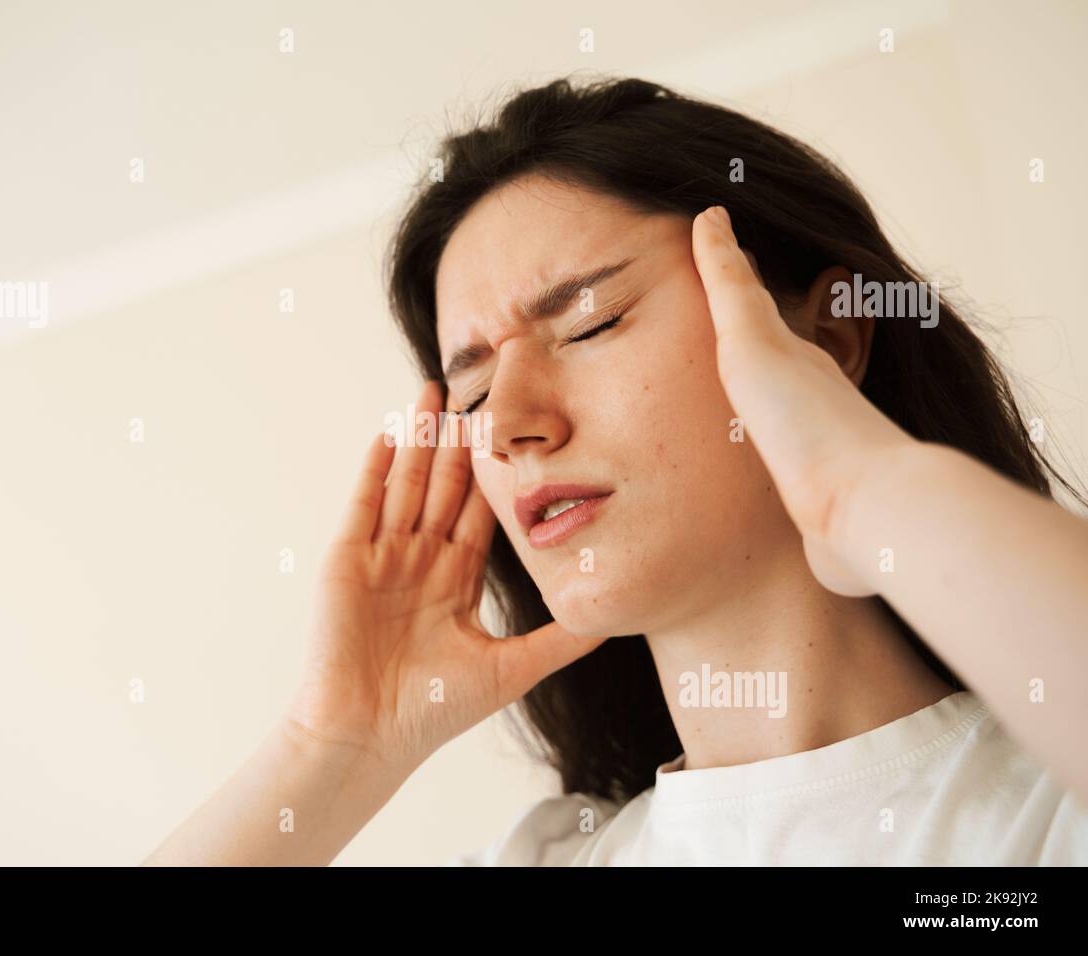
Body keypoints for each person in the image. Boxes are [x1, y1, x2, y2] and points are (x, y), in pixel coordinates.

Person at [145, 76, 1088, 866]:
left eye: (590, 324)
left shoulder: (1049, 811)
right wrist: (338, 744)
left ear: (829, 338)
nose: (506, 426)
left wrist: (860, 489)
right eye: (473, 393)